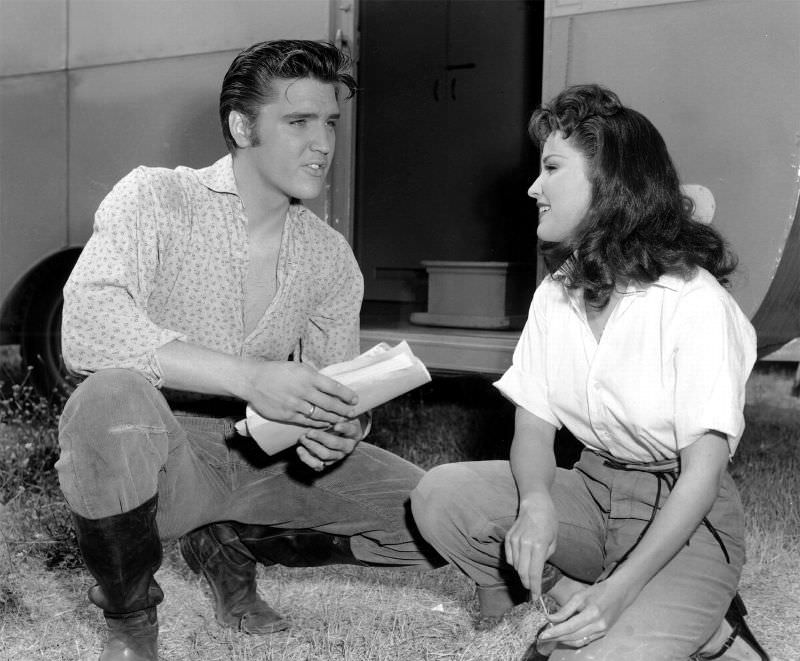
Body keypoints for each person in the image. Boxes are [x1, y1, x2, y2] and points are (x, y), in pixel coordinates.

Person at [55, 40, 441, 661]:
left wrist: (344, 425)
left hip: (261, 459)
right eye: (298, 122)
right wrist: (251, 377)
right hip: (158, 459)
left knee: (438, 519)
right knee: (108, 398)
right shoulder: (155, 198)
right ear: (242, 126)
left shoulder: (328, 257)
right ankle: (130, 619)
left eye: (330, 123)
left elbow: (336, 384)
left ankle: (225, 546)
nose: (323, 143)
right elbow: (87, 327)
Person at [411, 84, 769, 660]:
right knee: (439, 496)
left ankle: (707, 627)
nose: (534, 187)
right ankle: (579, 594)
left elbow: (702, 474)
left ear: (610, 183)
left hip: (683, 513)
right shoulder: (557, 292)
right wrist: (537, 502)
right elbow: (533, 424)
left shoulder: (693, 301)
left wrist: (620, 593)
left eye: (552, 168)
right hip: (595, 489)